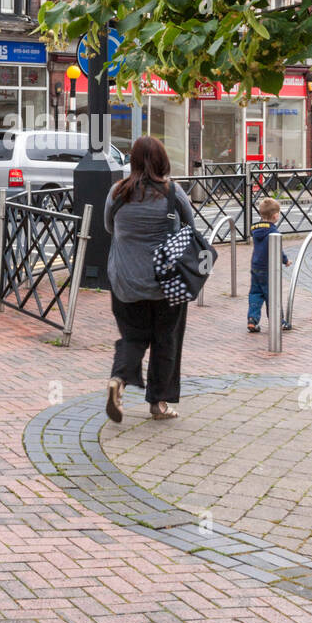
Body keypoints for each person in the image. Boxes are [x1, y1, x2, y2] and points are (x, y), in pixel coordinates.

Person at [103, 135, 196, 423]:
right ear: (162, 161)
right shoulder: (173, 193)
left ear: (132, 160)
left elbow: (108, 226)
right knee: (165, 340)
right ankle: (159, 404)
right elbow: (190, 230)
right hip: (165, 284)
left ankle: (118, 380)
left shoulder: (117, 192)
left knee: (133, 337)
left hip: (125, 281)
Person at [247, 196, 290, 334]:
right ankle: (278, 321)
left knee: (255, 293)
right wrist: (285, 260)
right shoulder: (273, 232)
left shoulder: (256, 229)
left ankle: (252, 320)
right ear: (276, 215)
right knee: (272, 294)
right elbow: (277, 250)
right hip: (268, 269)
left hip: (255, 266)